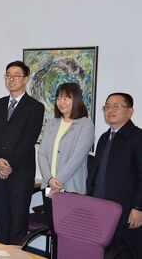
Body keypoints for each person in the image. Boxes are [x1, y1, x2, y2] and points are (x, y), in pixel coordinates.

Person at [0, 60, 44, 244]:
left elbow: (29, 140)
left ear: (25, 79)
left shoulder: (35, 107)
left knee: (18, 220)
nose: (11, 79)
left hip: (20, 173)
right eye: (8, 75)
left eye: (16, 76)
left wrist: (8, 165)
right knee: (2, 217)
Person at [38, 82, 95, 258]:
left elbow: (77, 158)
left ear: (76, 99)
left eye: (66, 98)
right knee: (55, 233)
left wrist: (58, 181)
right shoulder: (52, 123)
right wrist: (49, 180)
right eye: (59, 98)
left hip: (71, 189)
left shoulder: (85, 125)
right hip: (49, 188)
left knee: (70, 236)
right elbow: (42, 154)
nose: (61, 102)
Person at [87, 93, 142, 259]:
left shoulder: (138, 138)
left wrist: (139, 208)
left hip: (127, 210)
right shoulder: (104, 138)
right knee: (105, 252)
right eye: (107, 106)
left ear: (130, 112)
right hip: (101, 207)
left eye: (117, 106)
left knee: (126, 252)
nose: (110, 110)